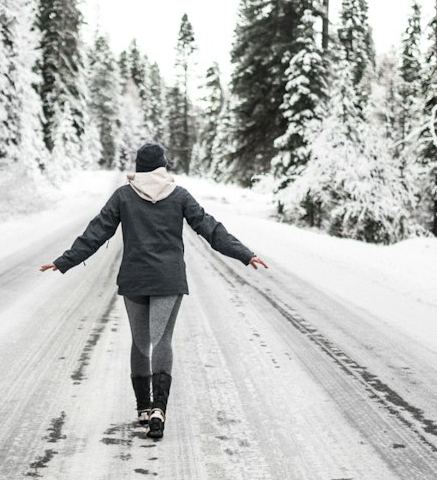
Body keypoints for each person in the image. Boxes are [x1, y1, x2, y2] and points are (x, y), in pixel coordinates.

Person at [40, 142, 268, 438]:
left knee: (140, 342)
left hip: (135, 279)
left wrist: (64, 261)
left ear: (138, 167)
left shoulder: (123, 196)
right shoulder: (179, 196)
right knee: (162, 340)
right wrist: (244, 253)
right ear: (163, 167)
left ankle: (144, 407)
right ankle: (160, 407)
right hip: (168, 280)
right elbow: (210, 228)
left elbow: (95, 233)